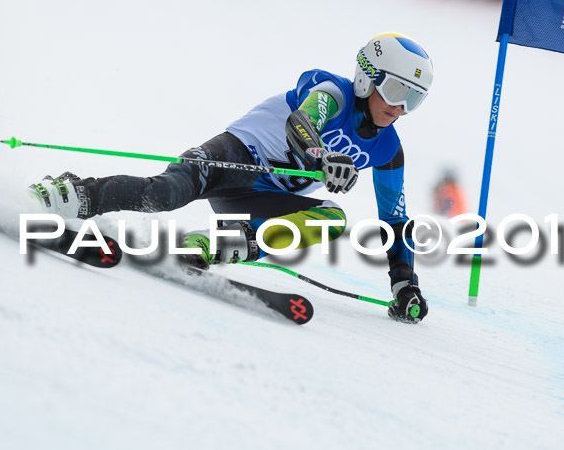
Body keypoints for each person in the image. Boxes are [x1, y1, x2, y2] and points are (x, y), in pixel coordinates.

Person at [29, 32, 433, 323]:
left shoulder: (388, 150)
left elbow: (395, 222)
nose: (400, 108)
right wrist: (322, 156)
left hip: (261, 198)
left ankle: (204, 247)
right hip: (236, 157)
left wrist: (404, 285)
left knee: (332, 218)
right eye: (396, 91)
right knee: (165, 193)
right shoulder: (333, 92)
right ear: (368, 77)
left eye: (413, 99)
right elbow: (302, 122)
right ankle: (72, 194)